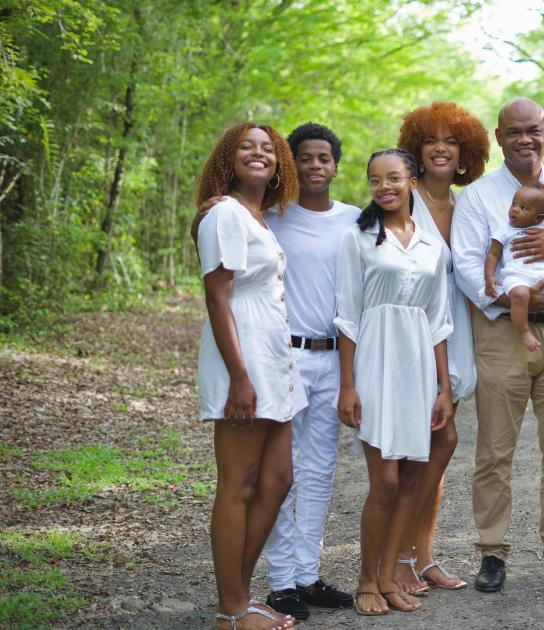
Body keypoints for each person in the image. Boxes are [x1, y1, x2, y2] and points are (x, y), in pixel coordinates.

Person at [451, 97, 544, 592]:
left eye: (533, 129)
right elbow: (468, 265)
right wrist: (509, 297)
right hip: (503, 330)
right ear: (499, 138)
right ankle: (492, 552)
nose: (525, 139)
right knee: (495, 449)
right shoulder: (477, 197)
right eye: (514, 132)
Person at [334, 149, 454, 615]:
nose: (384, 187)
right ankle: (366, 579)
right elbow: (347, 315)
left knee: (408, 476)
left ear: (411, 181)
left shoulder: (432, 245)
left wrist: (444, 388)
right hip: (374, 362)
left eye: (393, 178)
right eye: (374, 180)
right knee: (383, 480)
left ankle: (388, 578)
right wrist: (348, 384)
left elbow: (439, 321)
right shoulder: (358, 238)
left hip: (418, 365)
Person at [194, 122, 303, 630]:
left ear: (279, 162)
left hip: (272, 360)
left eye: (268, 149)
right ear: (228, 159)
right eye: (246, 147)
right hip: (245, 363)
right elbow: (218, 297)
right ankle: (231, 611)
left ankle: (239, 594)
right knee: (237, 485)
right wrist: (239, 377)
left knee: (277, 481)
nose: (258, 155)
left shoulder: (258, 217)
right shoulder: (224, 215)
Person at [254, 123, 360, 621]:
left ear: (337, 165)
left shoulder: (356, 222)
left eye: (325, 158)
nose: (316, 166)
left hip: (334, 356)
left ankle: (306, 575)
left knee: (320, 471)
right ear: (291, 164)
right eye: (306, 158)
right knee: (283, 472)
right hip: (284, 356)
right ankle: (280, 583)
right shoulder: (271, 217)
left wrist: (351, 376)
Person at [392, 101, 491, 594]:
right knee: (424, 448)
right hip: (414, 337)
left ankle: (423, 556)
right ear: (416, 148)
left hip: (459, 337)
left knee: (437, 447)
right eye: (430, 140)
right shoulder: (401, 201)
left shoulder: (469, 205)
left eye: (451, 141)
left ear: (465, 152)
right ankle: (398, 560)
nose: (440, 149)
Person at [485, 183, 544, 351]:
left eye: (523, 208)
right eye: (514, 204)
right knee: (519, 295)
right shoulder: (505, 229)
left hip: (542, 273)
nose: (515, 210)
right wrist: (489, 277)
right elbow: (493, 254)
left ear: (538, 218)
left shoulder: (542, 228)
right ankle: (524, 331)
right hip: (515, 276)